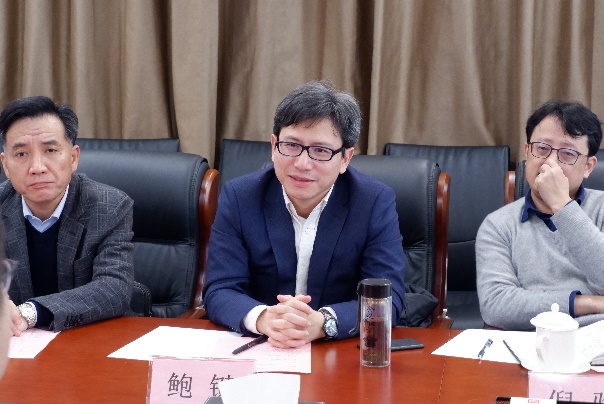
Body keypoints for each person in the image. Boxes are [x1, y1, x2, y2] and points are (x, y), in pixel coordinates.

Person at [203, 81, 406, 348]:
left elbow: (388, 300)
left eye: (320, 151)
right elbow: (219, 289)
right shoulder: (240, 197)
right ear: (273, 146)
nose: (302, 163)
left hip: (338, 351)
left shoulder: (373, 202)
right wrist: (264, 319)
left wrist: (322, 323)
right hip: (263, 348)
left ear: (345, 158)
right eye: (291, 145)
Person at [0, 96, 134, 334]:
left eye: (50, 150)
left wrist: (29, 312)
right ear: (5, 165)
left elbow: (114, 288)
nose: (37, 167)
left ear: (73, 158)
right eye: (21, 154)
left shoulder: (109, 206)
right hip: (16, 344)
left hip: (89, 339)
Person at [476, 100, 604, 330]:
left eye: (567, 153)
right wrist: (586, 302)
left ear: (588, 166)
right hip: (530, 341)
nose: (550, 162)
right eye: (542, 149)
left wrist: (562, 205)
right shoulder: (497, 225)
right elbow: (496, 305)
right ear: (527, 153)